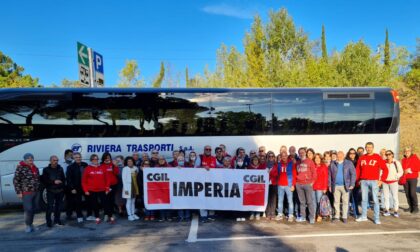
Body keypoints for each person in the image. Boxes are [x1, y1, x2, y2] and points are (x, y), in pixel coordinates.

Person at [355, 142, 388, 224]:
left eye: (370, 147)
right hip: (364, 181)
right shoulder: (362, 158)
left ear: (373, 148)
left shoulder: (377, 157)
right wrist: (358, 180)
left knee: (375, 200)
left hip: (374, 181)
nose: (369, 149)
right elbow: (358, 170)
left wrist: (381, 180)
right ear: (365, 148)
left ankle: (376, 218)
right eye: (367, 147)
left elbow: (385, 169)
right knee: (364, 199)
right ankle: (363, 216)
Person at [13, 153, 41, 233]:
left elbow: (38, 178)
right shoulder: (20, 168)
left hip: (36, 191)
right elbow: (16, 181)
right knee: (28, 209)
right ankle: (28, 226)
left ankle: (31, 224)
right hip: (26, 192)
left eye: (32, 158)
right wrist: (18, 192)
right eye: (29, 159)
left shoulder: (35, 168)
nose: (30, 160)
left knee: (33, 209)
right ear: (25, 160)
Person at [329, 151, 356, 223]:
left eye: (341, 155)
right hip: (336, 186)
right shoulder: (333, 164)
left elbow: (353, 174)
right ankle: (337, 216)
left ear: (343, 155)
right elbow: (330, 176)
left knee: (345, 202)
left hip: (345, 186)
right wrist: (330, 186)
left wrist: (352, 184)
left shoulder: (349, 163)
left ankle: (344, 216)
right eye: (338, 155)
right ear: (336, 156)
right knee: (336, 202)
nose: (339, 156)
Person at [82, 154, 109, 224]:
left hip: (102, 189)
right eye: (94, 159)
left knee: (105, 203)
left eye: (96, 159)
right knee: (94, 204)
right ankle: (97, 216)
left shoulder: (102, 167)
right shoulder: (87, 168)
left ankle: (107, 214)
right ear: (91, 160)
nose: (95, 160)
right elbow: (83, 181)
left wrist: (107, 189)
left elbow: (107, 179)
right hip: (92, 190)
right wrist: (85, 190)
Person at [271, 151, 296, 222]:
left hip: (288, 185)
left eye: (285, 156)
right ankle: (280, 214)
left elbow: (294, 175)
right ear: (281, 157)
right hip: (280, 185)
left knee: (290, 201)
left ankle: (290, 215)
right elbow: (274, 173)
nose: (284, 157)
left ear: (287, 156)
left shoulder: (291, 163)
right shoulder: (278, 164)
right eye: (282, 156)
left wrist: (293, 185)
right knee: (280, 200)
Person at [42, 155, 65, 227]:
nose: (56, 162)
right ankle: (48, 221)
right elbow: (44, 180)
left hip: (60, 191)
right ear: (50, 161)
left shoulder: (60, 169)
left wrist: (62, 185)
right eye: (54, 160)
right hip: (50, 190)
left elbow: (63, 179)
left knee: (59, 207)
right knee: (50, 207)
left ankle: (57, 220)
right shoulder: (46, 169)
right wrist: (54, 182)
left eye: (57, 160)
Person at [294, 147, 317, 224]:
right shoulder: (297, 162)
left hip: (307, 184)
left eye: (302, 152)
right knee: (302, 202)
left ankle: (311, 217)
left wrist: (312, 182)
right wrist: (296, 182)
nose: (301, 154)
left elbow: (314, 173)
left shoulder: (310, 161)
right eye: (299, 152)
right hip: (299, 184)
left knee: (309, 201)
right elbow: (296, 173)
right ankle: (303, 217)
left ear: (305, 153)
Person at [66, 152, 88, 223]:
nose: (78, 158)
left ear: (81, 157)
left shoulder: (85, 165)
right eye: (76, 157)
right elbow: (68, 179)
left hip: (85, 187)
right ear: (74, 158)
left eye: (79, 157)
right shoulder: (70, 167)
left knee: (89, 200)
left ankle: (89, 215)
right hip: (76, 188)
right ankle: (79, 216)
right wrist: (72, 188)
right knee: (78, 202)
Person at [197, 145, 216, 222]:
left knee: (212, 198)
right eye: (206, 149)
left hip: (212, 182)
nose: (208, 150)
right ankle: (203, 216)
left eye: (209, 149)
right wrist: (203, 167)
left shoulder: (214, 158)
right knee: (202, 199)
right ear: (204, 150)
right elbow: (195, 167)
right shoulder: (200, 157)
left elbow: (219, 166)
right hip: (201, 182)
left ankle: (211, 215)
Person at [383, 150, 403, 217]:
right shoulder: (383, 162)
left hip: (394, 182)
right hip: (385, 182)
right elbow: (380, 171)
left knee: (395, 197)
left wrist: (396, 176)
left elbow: (401, 171)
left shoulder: (396, 162)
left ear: (392, 155)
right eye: (386, 154)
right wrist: (380, 179)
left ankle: (396, 211)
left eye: (389, 154)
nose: (388, 155)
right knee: (386, 197)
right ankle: (387, 210)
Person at [100, 152, 119, 224]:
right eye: (106, 157)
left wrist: (115, 166)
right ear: (103, 158)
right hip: (105, 186)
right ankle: (106, 214)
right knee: (105, 200)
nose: (107, 158)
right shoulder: (101, 165)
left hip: (113, 185)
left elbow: (116, 173)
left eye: (109, 157)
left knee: (111, 200)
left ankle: (111, 214)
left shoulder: (112, 164)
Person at [401, 146, 420, 214]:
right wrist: (404, 171)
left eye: (408, 151)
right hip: (405, 178)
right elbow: (401, 169)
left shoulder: (415, 158)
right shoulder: (403, 160)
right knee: (407, 193)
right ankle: (410, 207)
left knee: (412, 193)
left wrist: (410, 170)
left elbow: (418, 167)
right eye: (405, 151)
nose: (407, 152)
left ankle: (415, 207)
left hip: (413, 178)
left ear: (411, 151)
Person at [122, 156, 140, 221]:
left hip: (135, 187)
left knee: (133, 201)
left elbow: (137, 176)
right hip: (128, 187)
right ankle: (129, 215)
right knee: (129, 201)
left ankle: (133, 214)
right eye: (128, 161)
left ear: (133, 162)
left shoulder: (136, 168)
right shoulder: (125, 169)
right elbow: (123, 180)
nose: (130, 162)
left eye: (131, 161)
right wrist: (125, 189)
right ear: (126, 162)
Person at [248, 156, 265, 221]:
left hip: (259, 186)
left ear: (258, 161)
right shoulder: (249, 167)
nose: (255, 161)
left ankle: (257, 213)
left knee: (258, 200)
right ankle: (252, 213)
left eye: (256, 160)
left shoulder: (261, 167)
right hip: (251, 186)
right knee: (252, 200)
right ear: (252, 161)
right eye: (254, 160)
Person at [312, 153, 328, 222]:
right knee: (313, 202)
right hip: (312, 187)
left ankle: (319, 215)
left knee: (319, 202)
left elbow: (326, 177)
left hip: (320, 187)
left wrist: (325, 187)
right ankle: (314, 215)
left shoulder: (323, 166)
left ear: (321, 159)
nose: (317, 159)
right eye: (316, 158)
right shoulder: (312, 166)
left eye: (318, 158)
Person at [175, 155, 191, 221]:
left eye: (182, 160)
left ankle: (187, 217)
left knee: (187, 203)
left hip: (187, 187)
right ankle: (180, 217)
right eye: (179, 160)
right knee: (180, 203)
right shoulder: (174, 168)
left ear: (184, 160)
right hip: (178, 188)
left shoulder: (188, 167)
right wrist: (176, 169)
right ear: (177, 161)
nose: (180, 161)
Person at [346, 148, 361, 217]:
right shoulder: (346, 162)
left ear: (356, 154)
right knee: (347, 198)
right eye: (350, 153)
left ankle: (356, 212)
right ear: (348, 154)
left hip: (356, 182)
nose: (352, 155)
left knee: (355, 198)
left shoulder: (358, 161)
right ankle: (347, 212)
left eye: (353, 153)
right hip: (348, 183)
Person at [265, 151, 277, 220]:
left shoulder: (276, 165)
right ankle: (267, 213)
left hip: (274, 183)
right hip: (266, 184)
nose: (271, 158)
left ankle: (272, 213)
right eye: (269, 156)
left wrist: (270, 173)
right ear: (267, 157)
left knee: (273, 199)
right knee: (267, 199)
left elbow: (277, 175)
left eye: (272, 156)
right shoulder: (265, 165)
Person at [62, 149, 73, 220]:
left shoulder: (73, 163)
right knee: (60, 200)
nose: (71, 156)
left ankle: (69, 214)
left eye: (71, 155)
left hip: (70, 185)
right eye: (69, 155)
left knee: (70, 200)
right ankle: (56, 215)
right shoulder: (61, 164)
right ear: (65, 156)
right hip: (63, 184)